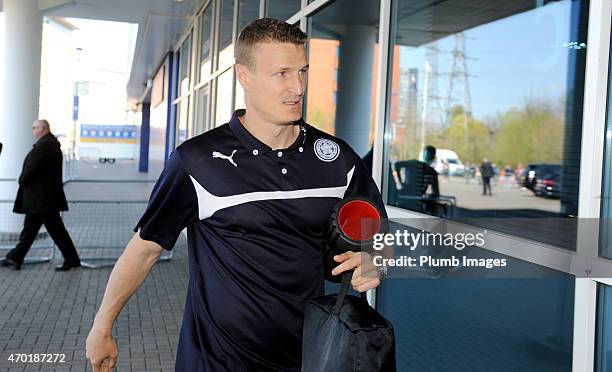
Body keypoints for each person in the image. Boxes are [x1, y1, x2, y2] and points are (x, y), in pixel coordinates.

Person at [86, 18, 385, 372]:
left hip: (308, 356)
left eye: (303, 71)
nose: (298, 86)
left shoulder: (337, 159)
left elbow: (377, 235)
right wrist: (101, 326)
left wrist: (375, 260)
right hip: (216, 360)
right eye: (282, 73)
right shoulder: (196, 160)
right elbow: (145, 248)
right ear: (244, 76)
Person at [1, 119, 81, 271]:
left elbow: (34, 168)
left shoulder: (46, 145)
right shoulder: (48, 144)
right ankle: (15, 258)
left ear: (43, 128)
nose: (32, 130)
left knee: (56, 232)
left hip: (42, 199)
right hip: (41, 200)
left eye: (34, 127)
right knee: (30, 231)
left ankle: (72, 260)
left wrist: (22, 179)